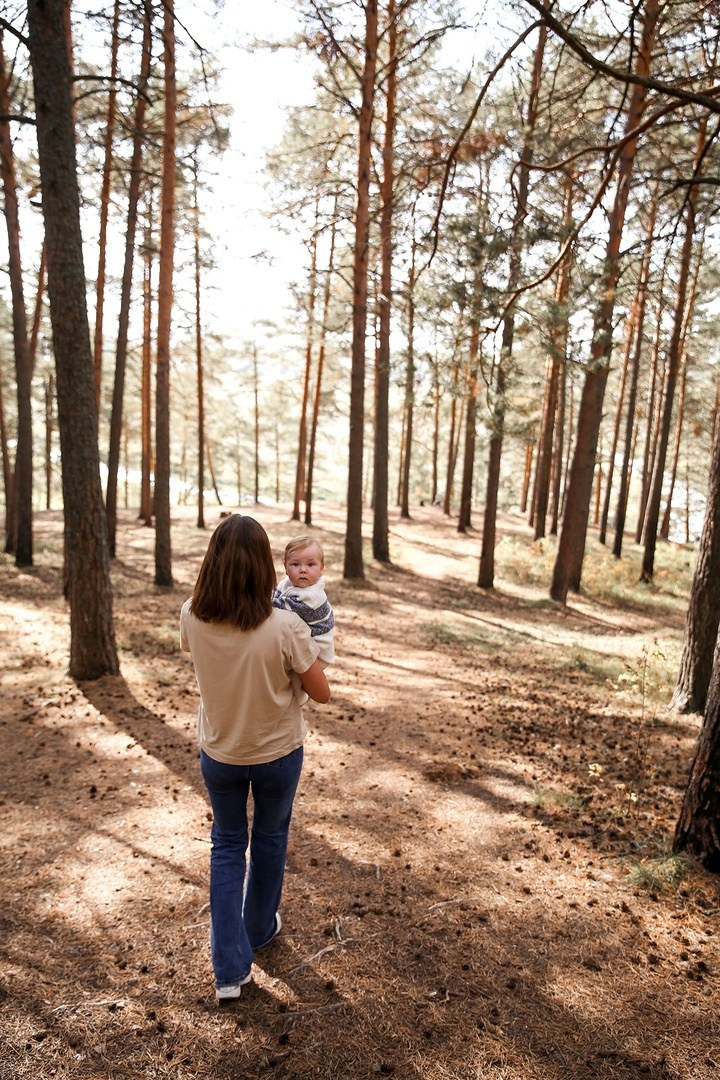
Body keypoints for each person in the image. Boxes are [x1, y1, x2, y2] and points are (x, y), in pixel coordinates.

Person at [180, 514, 330, 1002]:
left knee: (226, 846)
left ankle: (229, 971)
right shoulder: (285, 625)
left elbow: (204, 663)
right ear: (264, 566)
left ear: (212, 563)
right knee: (268, 839)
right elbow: (321, 692)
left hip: (220, 751)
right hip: (276, 752)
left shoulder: (190, 614)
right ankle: (260, 929)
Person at [272, 535, 335, 702]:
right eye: (295, 564)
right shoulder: (288, 583)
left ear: (322, 567)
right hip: (304, 642)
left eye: (310, 564)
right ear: (285, 567)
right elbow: (277, 596)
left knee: (296, 677)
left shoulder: (312, 598)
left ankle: (298, 699)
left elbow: (278, 607)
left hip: (318, 650)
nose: (303, 570)